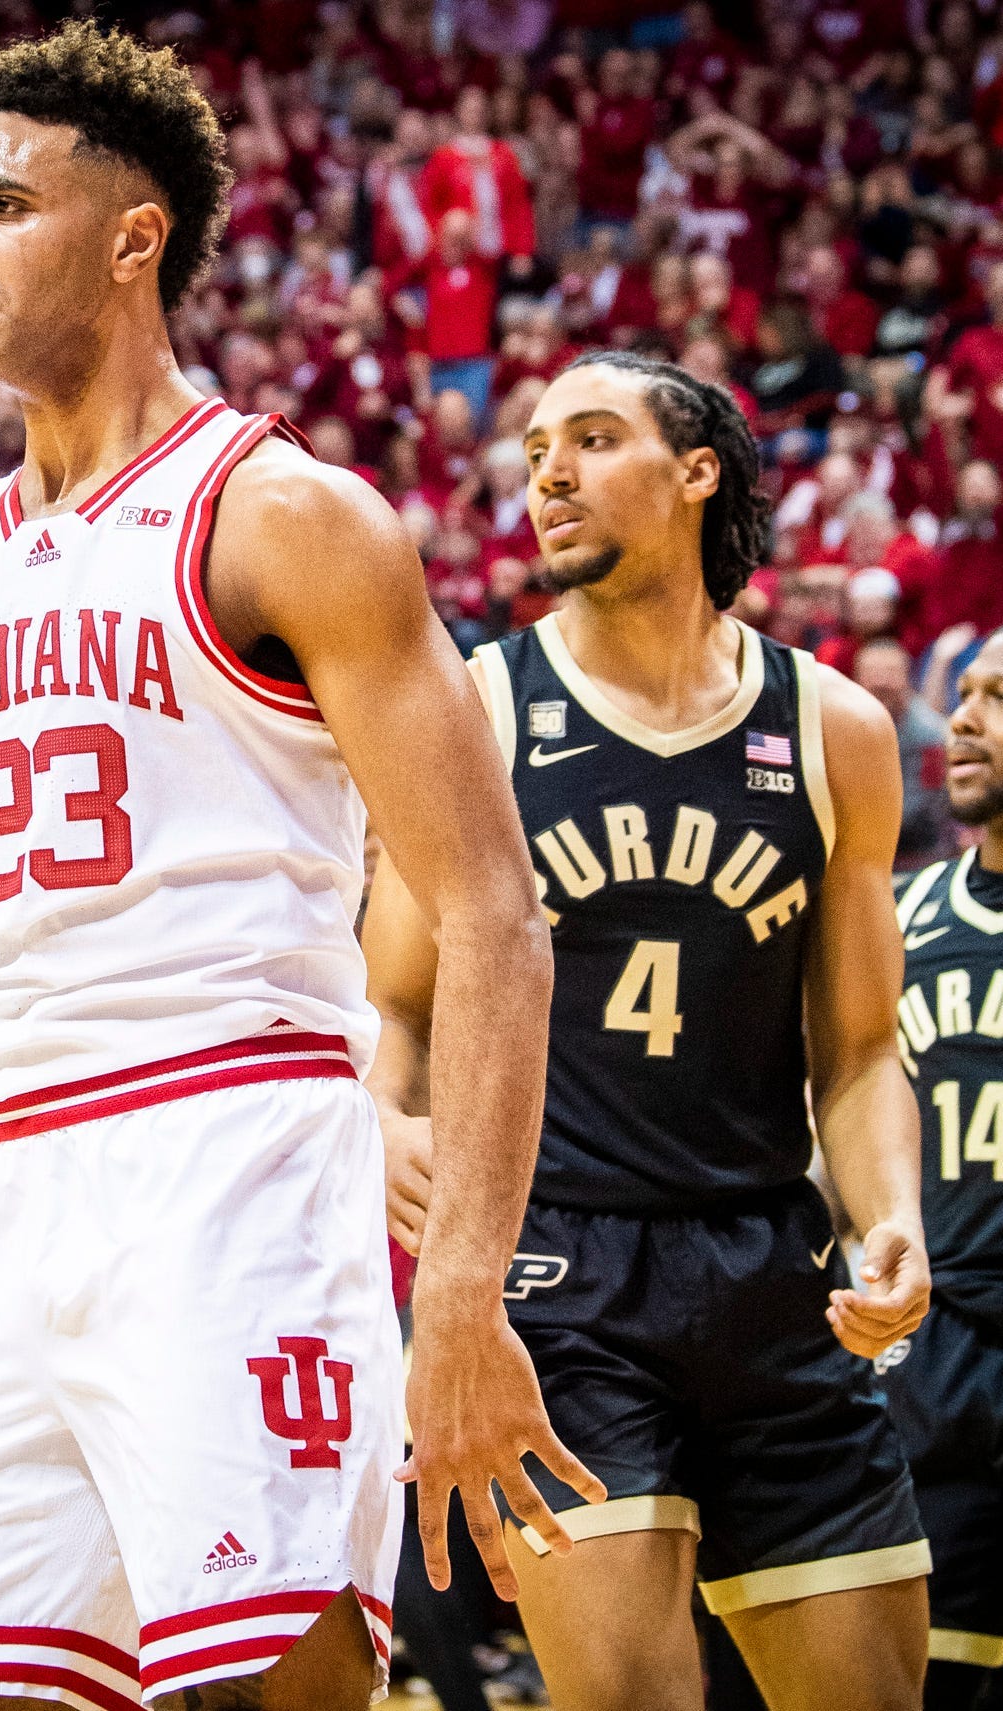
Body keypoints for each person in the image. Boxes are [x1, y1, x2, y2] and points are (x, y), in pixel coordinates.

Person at [0, 23, 598, 1711]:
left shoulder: (287, 516)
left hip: (231, 1157)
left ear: (134, 238)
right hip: (6, 1210)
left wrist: (459, 1285)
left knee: (269, 1694)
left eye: (2, 204)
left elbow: (492, 917)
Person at [363, 350, 932, 1711]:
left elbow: (855, 1047)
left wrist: (890, 1210)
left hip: (767, 1260)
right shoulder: (479, 707)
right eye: (534, 445)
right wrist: (378, 1115)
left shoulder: (832, 729)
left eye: (590, 437)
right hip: (559, 1270)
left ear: (694, 473)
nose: (543, 468)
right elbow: (393, 995)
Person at [888, 635, 1003, 1710]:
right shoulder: (901, 920)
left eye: (997, 699)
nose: (962, 720)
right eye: (961, 695)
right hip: (944, 1361)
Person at [854, 636, 955, 868]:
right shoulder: (841, 728)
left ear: (908, 678)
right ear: (856, 680)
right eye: (871, 673)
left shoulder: (931, 737)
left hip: (920, 859)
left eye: (889, 672)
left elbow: (922, 807)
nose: (880, 682)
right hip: (862, 856)